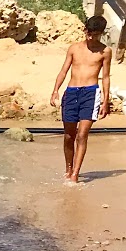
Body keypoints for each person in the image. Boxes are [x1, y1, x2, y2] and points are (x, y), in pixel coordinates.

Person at [50, 14, 114, 185]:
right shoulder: (74, 48)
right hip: (71, 92)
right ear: (85, 30)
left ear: (101, 33)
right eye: (89, 33)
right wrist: (55, 90)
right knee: (69, 135)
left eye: (95, 34)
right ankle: (68, 168)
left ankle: (75, 174)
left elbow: (106, 77)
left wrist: (105, 101)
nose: (91, 37)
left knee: (82, 134)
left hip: (91, 93)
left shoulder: (105, 51)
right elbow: (64, 70)